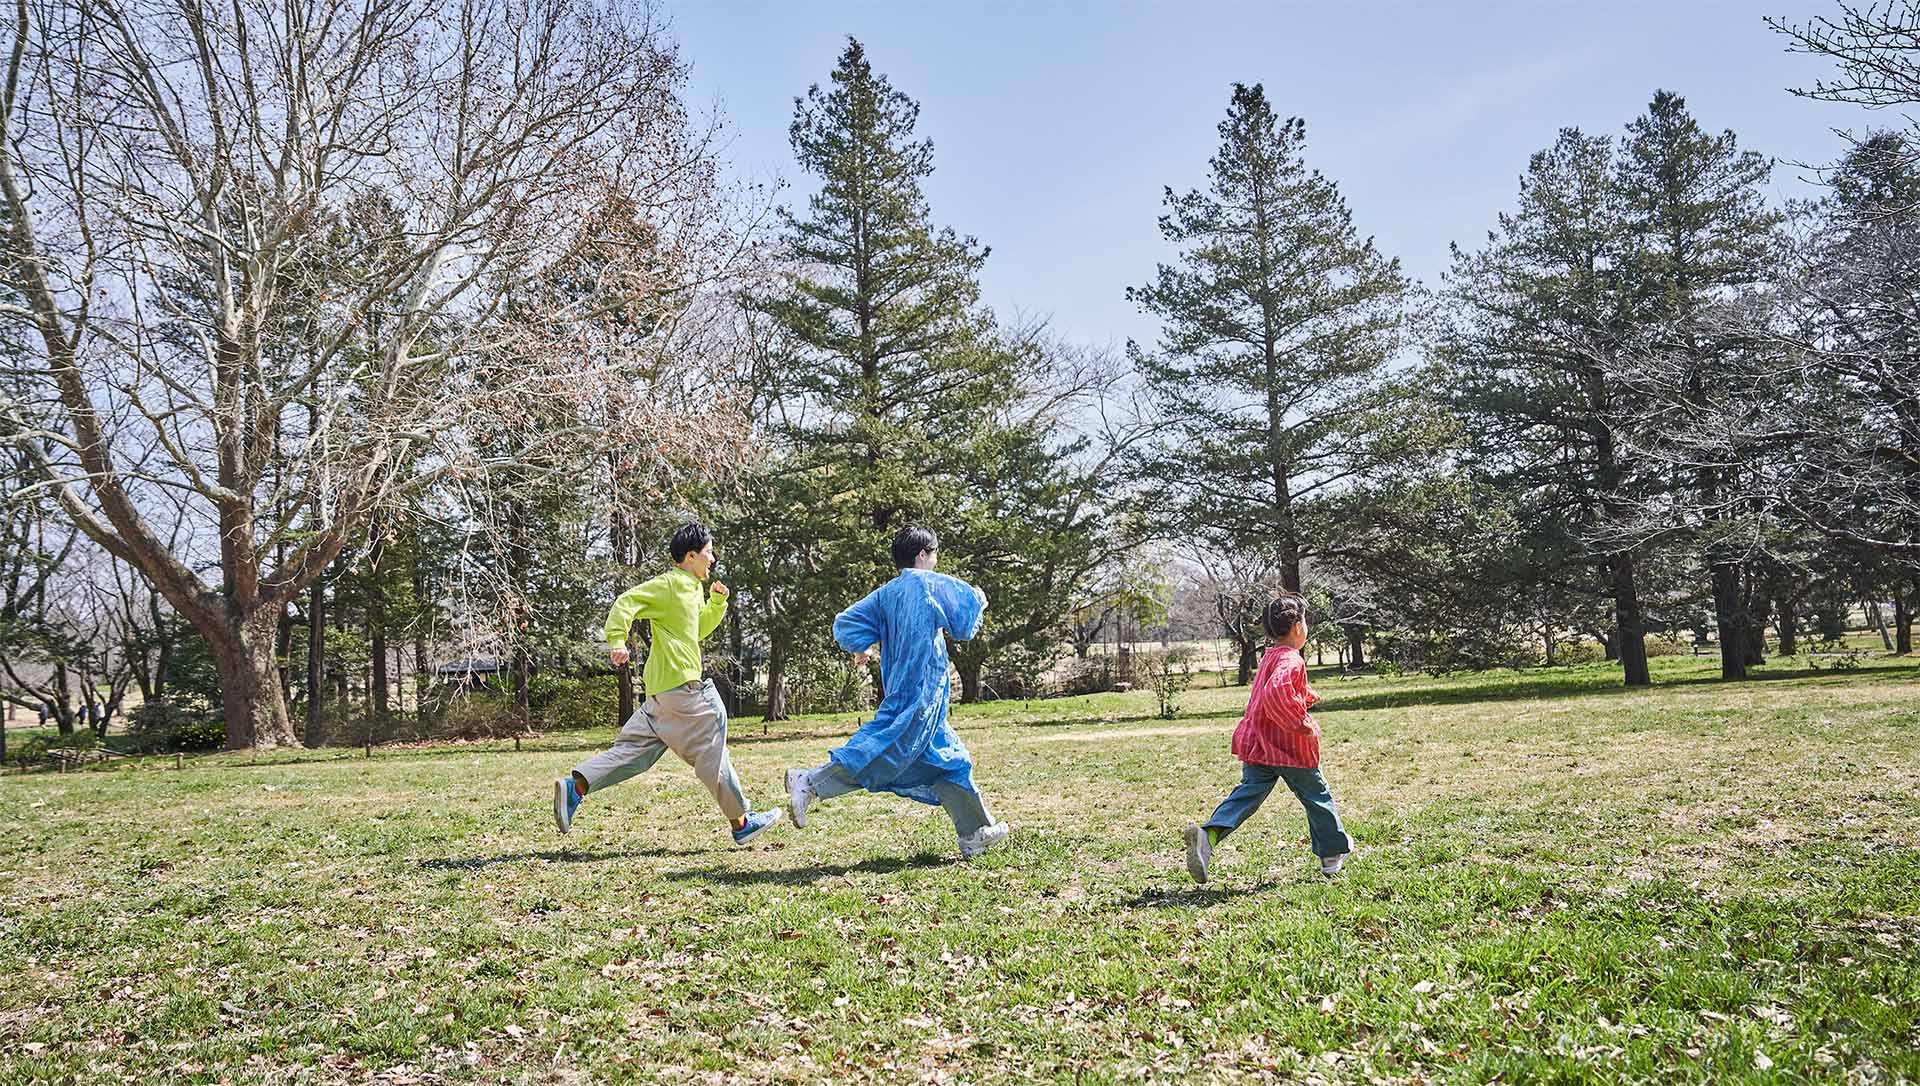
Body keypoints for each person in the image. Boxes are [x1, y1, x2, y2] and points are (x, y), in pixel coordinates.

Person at [782, 526, 1010, 859]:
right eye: (934, 554)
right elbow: (964, 621)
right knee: (885, 748)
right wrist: (979, 599)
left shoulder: (887, 593)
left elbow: (846, 622)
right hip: (919, 692)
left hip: (914, 691)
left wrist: (862, 647)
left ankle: (975, 833)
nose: (935, 561)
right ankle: (812, 781)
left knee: (949, 760)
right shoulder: (927, 582)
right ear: (922, 555)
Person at [551, 522, 782, 846]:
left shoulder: (690, 589)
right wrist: (618, 640)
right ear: (690, 556)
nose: (712, 559)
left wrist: (715, 605)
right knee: (712, 748)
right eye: (708, 552)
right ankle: (742, 823)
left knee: (632, 753)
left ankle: (575, 788)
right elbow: (626, 601)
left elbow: (696, 630)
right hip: (682, 693)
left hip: (660, 697)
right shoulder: (671, 584)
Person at [1183, 591, 1352, 883]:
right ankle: (1331, 854)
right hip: (1288, 747)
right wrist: (1300, 723)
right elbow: (1276, 693)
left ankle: (1208, 837)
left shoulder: (1271, 656)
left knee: (1248, 793)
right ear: (1298, 627)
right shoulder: (1292, 659)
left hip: (1259, 745)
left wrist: (1306, 695)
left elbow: (1269, 690)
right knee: (1316, 796)